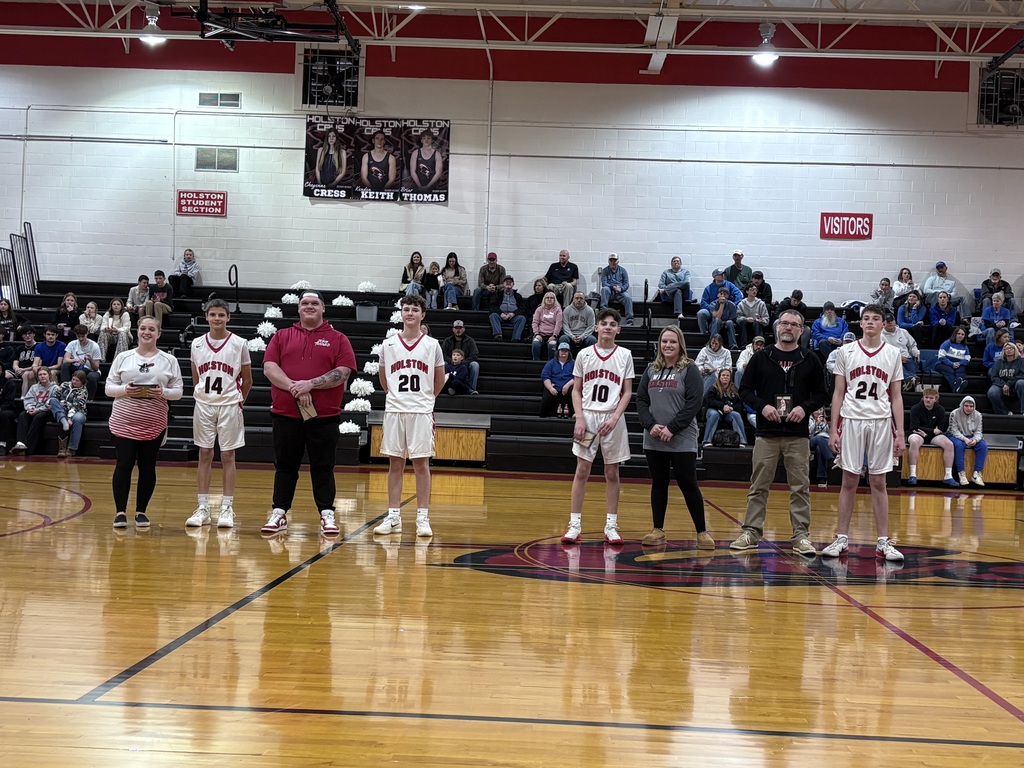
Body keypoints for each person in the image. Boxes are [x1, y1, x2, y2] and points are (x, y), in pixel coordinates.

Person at [260, 290, 356, 537]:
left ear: (324, 309)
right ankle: (279, 512)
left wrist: (310, 384)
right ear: (298, 308)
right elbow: (270, 368)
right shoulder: (282, 336)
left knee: (323, 466)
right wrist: (296, 386)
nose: (309, 306)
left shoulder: (338, 339)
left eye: (315, 303)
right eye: (305, 303)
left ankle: (327, 514)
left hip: (323, 417)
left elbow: (343, 372)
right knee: (285, 466)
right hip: (285, 414)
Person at [731, 309, 826, 555]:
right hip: (766, 433)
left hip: (797, 435)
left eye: (794, 324)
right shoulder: (761, 358)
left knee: (800, 488)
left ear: (801, 330)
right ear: (776, 327)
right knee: (759, 486)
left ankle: (801, 536)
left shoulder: (810, 358)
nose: (788, 327)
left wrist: (804, 409)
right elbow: (744, 391)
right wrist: (763, 407)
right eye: (784, 323)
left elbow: (822, 394)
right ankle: (751, 532)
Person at [823, 304, 905, 562]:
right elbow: (838, 392)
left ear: (883, 324)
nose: (870, 322)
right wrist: (832, 428)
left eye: (875, 318)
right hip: (852, 419)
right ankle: (841, 538)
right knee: (849, 480)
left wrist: (900, 432)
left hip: (881, 421)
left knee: (879, 482)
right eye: (866, 318)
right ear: (860, 323)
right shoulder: (845, 351)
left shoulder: (893, 353)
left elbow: (897, 396)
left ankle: (883, 541)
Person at [373, 294, 446, 538]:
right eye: (406, 309)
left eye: (415, 309)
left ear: (422, 314)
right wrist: (395, 397)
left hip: (421, 410)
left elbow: (438, 380)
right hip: (395, 409)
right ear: (401, 313)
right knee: (395, 462)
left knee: (421, 463)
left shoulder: (433, 345)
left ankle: (422, 518)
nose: (410, 313)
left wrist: (425, 400)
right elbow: (384, 379)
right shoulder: (388, 344)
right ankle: (393, 516)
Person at [560, 308, 635, 545]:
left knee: (612, 472)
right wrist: (579, 418)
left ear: (618, 330)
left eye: (613, 324)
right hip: (589, 418)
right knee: (582, 470)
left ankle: (611, 526)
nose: (608, 327)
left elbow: (627, 392)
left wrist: (614, 418)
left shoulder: (625, 355)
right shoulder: (584, 354)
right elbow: (576, 390)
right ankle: (574, 525)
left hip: (613, 421)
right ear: (596, 327)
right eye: (604, 323)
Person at [635, 325, 713, 549]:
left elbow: (694, 403)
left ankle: (702, 532)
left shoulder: (690, 369)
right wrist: (650, 425)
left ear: (680, 345)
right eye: (664, 341)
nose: (668, 345)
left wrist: (672, 428)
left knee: (688, 484)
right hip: (654, 438)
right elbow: (641, 400)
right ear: (659, 344)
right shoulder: (651, 369)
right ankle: (657, 530)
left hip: (682, 438)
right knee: (659, 483)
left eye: (672, 341)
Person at [105, 316, 184, 529]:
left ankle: (141, 512)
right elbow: (108, 387)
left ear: (158, 333)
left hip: (154, 422)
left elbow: (178, 392)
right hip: (124, 420)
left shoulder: (169, 360)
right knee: (124, 464)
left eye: (151, 329)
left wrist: (163, 393)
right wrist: (125, 390)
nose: (146, 332)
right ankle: (120, 512)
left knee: (148, 466)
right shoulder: (123, 357)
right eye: (142, 328)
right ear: (137, 331)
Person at [185, 299, 253, 530]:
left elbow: (248, 379)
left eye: (221, 315)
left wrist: (238, 400)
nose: (216, 319)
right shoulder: (196, 344)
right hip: (204, 404)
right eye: (212, 314)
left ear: (228, 318)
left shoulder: (239, 343)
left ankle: (227, 507)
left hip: (229, 405)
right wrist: (202, 395)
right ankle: (202, 506)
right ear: (206, 317)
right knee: (204, 453)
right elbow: (196, 378)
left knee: (227, 456)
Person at [906, 387, 958, 487]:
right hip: (918, 434)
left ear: (936, 399)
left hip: (932, 435)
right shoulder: (915, 408)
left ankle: (948, 476)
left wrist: (928, 433)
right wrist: (931, 431)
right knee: (914, 441)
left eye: (931, 398)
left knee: (949, 444)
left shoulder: (940, 410)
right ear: (923, 398)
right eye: (926, 397)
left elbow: (940, 429)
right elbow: (915, 427)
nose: (928, 400)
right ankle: (912, 475)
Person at [9, 366, 57, 456]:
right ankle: (21, 444)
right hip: (34, 409)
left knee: (38, 417)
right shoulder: (34, 387)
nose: (42, 376)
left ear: (49, 375)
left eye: (44, 374)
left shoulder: (55, 388)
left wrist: (38, 410)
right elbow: (28, 399)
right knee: (23, 415)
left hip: (47, 411)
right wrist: (30, 408)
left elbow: (52, 404)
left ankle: (29, 448)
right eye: (40, 375)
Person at [947, 395, 987, 487]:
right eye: (966, 406)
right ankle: (961, 473)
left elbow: (978, 431)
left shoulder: (978, 415)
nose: (969, 408)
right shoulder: (954, 413)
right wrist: (964, 439)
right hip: (955, 436)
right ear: (962, 405)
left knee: (983, 445)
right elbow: (954, 430)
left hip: (971, 436)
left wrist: (975, 440)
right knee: (959, 445)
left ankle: (977, 474)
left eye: (971, 406)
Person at [702, 368, 748, 447]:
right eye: (723, 375)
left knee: (736, 415)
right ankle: (706, 440)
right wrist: (722, 407)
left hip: (728, 412)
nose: (725, 377)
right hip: (715, 410)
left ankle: (742, 441)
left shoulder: (734, 389)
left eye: (727, 375)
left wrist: (732, 408)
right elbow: (709, 401)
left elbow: (739, 403)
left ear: (730, 378)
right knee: (714, 414)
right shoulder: (713, 388)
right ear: (719, 377)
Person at [50, 370, 89, 458]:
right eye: (73, 379)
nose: (74, 382)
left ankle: (72, 448)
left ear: (82, 382)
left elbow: (76, 406)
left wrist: (69, 417)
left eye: (77, 381)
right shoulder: (64, 385)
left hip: (77, 411)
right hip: (62, 409)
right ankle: (62, 448)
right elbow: (55, 395)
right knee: (52, 401)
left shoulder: (83, 391)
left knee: (77, 419)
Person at [60, 324, 102, 399]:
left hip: (90, 370)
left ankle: (89, 399)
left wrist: (90, 359)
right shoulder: (72, 344)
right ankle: (65, 391)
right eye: (78, 336)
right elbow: (65, 360)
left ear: (87, 334)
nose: (81, 339)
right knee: (65, 365)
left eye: (83, 336)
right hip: (76, 367)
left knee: (92, 376)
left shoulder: (94, 346)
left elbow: (96, 368)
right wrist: (76, 360)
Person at [881, 311, 920, 391]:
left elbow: (912, 345)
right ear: (883, 323)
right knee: (896, 365)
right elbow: (883, 352)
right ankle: (909, 378)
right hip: (892, 360)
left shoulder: (903, 332)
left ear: (895, 321)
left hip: (907, 358)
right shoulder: (880, 336)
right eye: (888, 322)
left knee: (912, 374)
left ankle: (910, 381)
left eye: (891, 321)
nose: (890, 323)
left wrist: (916, 353)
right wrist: (899, 357)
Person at [696, 269, 743, 337]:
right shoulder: (708, 288)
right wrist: (713, 309)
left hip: (727, 309)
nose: (722, 275)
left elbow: (739, 294)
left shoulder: (729, 285)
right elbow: (703, 302)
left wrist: (734, 305)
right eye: (719, 274)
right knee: (701, 313)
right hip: (712, 309)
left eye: (722, 274)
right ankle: (704, 334)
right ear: (714, 277)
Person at [441, 319, 480, 392]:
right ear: (453, 329)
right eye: (456, 328)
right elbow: (442, 354)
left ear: (464, 329)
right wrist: (451, 361)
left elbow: (474, 355)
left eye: (460, 328)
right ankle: (444, 388)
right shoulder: (447, 340)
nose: (458, 330)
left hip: (465, 363)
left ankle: (471, 389)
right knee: (443, 364)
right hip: (451, 364)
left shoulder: (470, 340)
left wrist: (463, 362)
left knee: (475, 365)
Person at [987, 341, 1024, 415]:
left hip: (1015, 384)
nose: (1009, 350)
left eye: (1011, 348)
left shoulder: (1021, 361)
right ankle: (1004, 413)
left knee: (1021, 383)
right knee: (992, 393)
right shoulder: (998, 362)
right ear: (1003, 351)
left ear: (1015, 350)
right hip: (1001, 385)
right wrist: (1004, 385)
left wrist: (1009, 384)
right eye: (1006, 348)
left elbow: (1022, 375)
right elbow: (994, 376)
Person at [540, 342, 575, 418]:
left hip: (569, 386)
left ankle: (573, 414)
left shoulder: (573, 363)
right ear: (558, 351)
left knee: (574, 391)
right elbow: (545, 376)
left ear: (569, 352)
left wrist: (567, 385)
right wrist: (550, 388)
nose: (564, 352)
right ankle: (543, 416)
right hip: (555, 385)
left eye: (566, 351)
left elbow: (577, 377)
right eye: (562, 350)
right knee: (547, 395)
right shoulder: (551, 363)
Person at [488, 275, 527, 341]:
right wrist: (501, 314)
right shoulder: (497, 294)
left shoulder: (518, 296)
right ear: (503, 284)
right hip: (500, 316)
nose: (508, 283)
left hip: (513, 317)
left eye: (510, 282)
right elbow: (492, 306)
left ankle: (515, 338)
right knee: (493, 315)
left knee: (522, 318)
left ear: (513, 284)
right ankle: (498, 335)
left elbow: (522, 308)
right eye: (506, 281)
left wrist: (513, 314)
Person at [599, 253, 634, 326]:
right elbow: (604, 283)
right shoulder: (605, 270)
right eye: (611, 260)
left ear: (618, 261)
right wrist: (613, 287)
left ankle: (630, 320)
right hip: (610, 291)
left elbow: (626, 284)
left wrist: (621, 289)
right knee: (605, 289)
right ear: (608, 261)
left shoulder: (623, 270)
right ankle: (603, 315)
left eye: (614, 260)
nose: (613, 262)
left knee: (628, 298)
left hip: (620, 292)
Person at [936, 325, 971, 393]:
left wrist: (959, 363)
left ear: (964, 336)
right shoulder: (947, 343)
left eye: (962, 334)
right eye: (958, 333)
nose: (960, 335)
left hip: (958, 364)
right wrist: (951, 364)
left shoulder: (965, 346)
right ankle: (955, 388)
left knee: (961, 369)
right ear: (955, 334)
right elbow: (941, 356)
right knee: (950, 371)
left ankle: (958, 385)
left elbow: (967, 359)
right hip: (943, 364)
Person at [531, 290, 563, 361]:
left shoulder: (558, 310)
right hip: (540, 334)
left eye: (551, 298)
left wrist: (554, 335)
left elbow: (558, 324)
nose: (549, 299)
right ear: (544, 299)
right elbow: (535, 322)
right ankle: (535, 361)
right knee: (535, 343)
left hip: (552, 335)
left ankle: (551, 363)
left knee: (552, 344)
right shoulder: (539, 309)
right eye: (547, 298)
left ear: (554, 300)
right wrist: (537, 334)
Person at [7, 325, 38, 396]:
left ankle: (23, 398)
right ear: (22, 336)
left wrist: (23, 370)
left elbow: (38, 364)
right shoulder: (19, 348)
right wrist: (16, 369)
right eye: (25, 334)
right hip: (19, 370)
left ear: (34, 334)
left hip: (30, 370)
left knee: (26, 374)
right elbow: (15, 363)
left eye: (29, 333)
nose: (27, 336)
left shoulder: (39, 347)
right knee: (5, 374)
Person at [736, 282, 769, 347]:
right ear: (747, 291)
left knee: (756, 323)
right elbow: (737, 318)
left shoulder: (761, 303)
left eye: (755, 290)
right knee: (743, 322)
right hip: (745, 326)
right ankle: (744, 345)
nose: (754, 291)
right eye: (752, 290)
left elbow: (766, 319)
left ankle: (759, 344)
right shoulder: (741, 304)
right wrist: (746, 319)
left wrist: (763, 321)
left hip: (757, 325)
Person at [808, 408, 833, 487]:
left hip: (824, 442)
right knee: (820, 438)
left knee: (820, 449)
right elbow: (807, 433)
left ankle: (822, 478)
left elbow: (828, 434)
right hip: (811, 440)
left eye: (821, 410)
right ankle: (831, 459)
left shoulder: (825, 420)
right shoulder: (809, 419)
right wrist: (816, 423)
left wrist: (829, 426)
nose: (819, 412)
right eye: (817, 410)